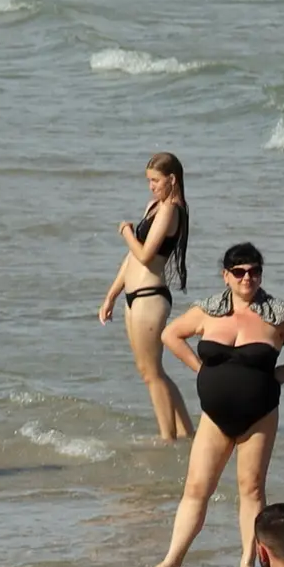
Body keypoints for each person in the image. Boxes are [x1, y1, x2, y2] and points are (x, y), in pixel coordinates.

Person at [149, 243, 284, 567]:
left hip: (259, 413)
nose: (248, 278)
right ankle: (172, 561)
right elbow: (171, 334)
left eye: (255, 271)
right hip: (214, 416)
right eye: (240, 272)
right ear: (226, 276)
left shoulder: (279, 313)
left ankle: (247, 565)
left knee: (252, 488)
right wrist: (199, 368)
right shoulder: (209, 310)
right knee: (197, 487)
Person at [97, 152, 193, 444]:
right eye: (149, 180)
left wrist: (126, 231)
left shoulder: (172, 211)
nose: (150, 186)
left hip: (151, 297)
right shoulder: (155, 206)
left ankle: (167, 439)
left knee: (151, 373)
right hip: (134, 295)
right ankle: (187, 433)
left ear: (171, 179)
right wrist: (111, 295)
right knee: (151, 371)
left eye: (155, 180)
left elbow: (145, 253)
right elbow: (132, 259)